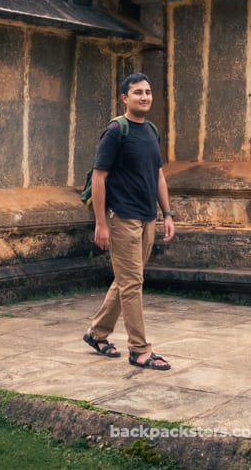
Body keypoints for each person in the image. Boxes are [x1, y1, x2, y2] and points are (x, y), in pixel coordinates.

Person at [82, 72, 176, 370]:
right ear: (125, 98)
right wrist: (101, 223)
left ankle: (96, 333)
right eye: (138, 92)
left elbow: (158, 175)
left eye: (148, 92)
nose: (144, 96)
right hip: (122, 218)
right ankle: (140, 350)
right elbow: (99, 178)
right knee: (132, 283)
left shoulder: (150, 130)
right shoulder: (115, 131)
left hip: (148, 217)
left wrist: (168, 213)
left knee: (126, 280)